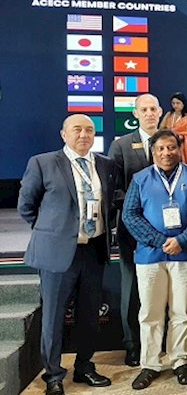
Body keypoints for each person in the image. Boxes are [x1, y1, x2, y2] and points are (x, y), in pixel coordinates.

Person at [18, 114, 116, 395]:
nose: (84, 134)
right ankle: (53, 375)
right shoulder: (43, 163)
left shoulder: (105, 165)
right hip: (57, 253)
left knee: (89, 314)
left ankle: (85, 367)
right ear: (63, 134)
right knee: (53, 316)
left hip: (94, 250)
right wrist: (53, 232)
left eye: (89, 130)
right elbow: (27, 205)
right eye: (77, 129)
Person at [122, 130, 187, 389]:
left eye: (171, 147)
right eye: (160, 148)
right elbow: (130, 214)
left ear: (179, 148)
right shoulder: (140, 179)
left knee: (182, 310)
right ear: (153, 152)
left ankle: (180, 360)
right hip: (150, 255)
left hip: (186, 253)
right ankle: (150, 363)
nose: (166, 153)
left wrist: (182, 239)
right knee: (150, 312)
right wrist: (160, 241)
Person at [108, 93, 162, 367]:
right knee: (133, 288)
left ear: (161, 112)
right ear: (136, 113)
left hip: (169, 231)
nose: (150, 113)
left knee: (164, 289)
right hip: (134, 230)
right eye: (145, 109)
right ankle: (132, 344)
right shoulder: (121, 146)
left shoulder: (170, 143)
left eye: (154, 108)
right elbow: (113, 189)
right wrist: (139, 209)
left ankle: (159, 343)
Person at [159, 92, 187, 165]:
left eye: (178, 103)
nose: (175, 105)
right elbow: (161, 129)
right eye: (173, 103)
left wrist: (182, 137)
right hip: (168, 145)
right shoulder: (169, 115)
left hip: (183, 148)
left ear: (183, 104)